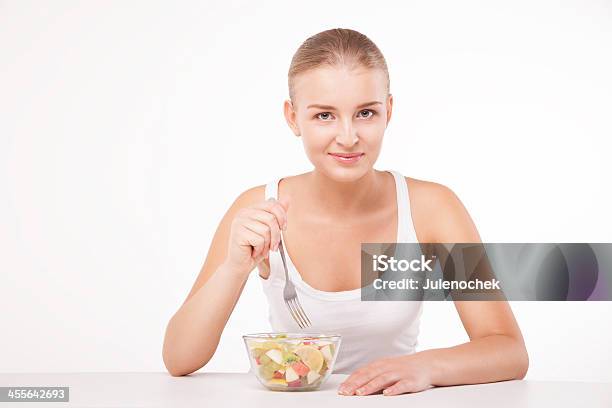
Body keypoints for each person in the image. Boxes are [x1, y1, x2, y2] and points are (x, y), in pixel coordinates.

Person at [162, 27, 528, 396]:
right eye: (324, 116)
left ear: (389, 112)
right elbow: (179, 358)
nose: (348, 136)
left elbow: (508, 350)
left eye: (366, 112)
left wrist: (425, 366)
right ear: (293, 118)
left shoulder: (431, 208)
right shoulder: (256, 208)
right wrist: (234, 267)